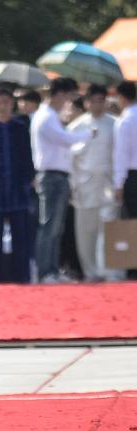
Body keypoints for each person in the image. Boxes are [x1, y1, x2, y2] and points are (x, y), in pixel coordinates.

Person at [31, 77, 95, 283]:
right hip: (51, 176)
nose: (69, 101)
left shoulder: (51, 116)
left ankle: (52, 269)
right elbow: (65, 139)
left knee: (55, 227)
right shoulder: (46, 117)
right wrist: (88, 134)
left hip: (58, 175)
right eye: (69, 96)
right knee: (49, 226)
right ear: (60, 94)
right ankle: (45, 271)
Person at [0, 88, 36, 284]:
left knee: (21, 236)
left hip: (18, 189)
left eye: (6, 102)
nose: (2, 106)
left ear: (12, 104)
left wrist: (31, 178)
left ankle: (23, 276)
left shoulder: (21, 128)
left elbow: (29, 156)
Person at [68, 84, 116, 282]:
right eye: (94, 101)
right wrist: (72, 185)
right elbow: (69, 159)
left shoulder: (115, 124)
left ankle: (111, 269)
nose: (98, 105)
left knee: (109, 226)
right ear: (86, 102)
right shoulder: (76, 126)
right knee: (86, 229)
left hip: (109, 182)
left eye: (101, 100)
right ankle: (90, 270)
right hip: (84, 183)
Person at [114, 81, 137, 221]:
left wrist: (118, 184)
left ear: (121, 97)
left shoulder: (125, 120)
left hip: (132, 177)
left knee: (131, 222)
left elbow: (121, 154)